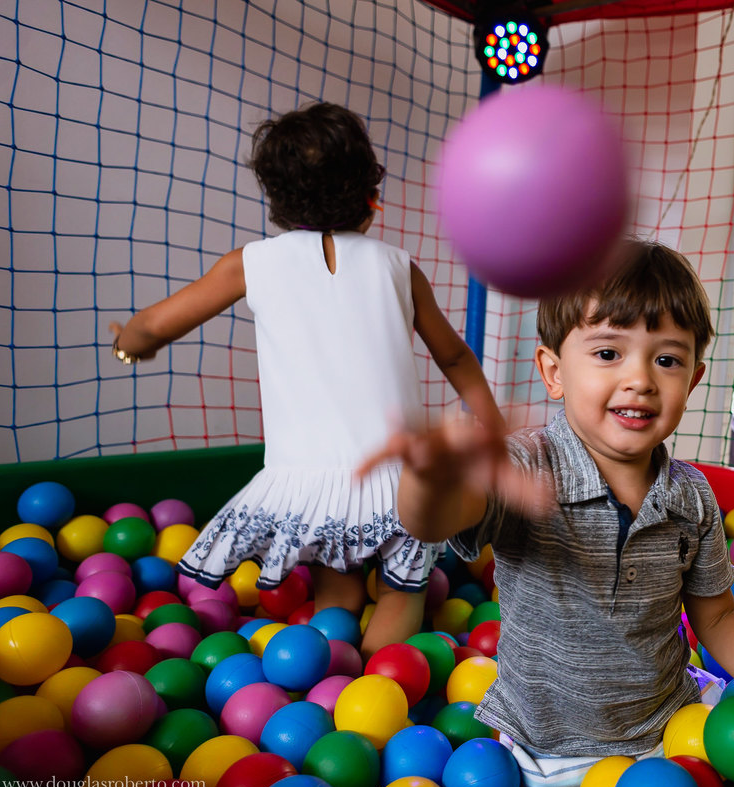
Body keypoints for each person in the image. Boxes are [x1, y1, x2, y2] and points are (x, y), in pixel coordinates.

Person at [359, 240, 734, 787]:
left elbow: (719, 618)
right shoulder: (525, 466)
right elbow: (432, 521)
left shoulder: (691, 496)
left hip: (678, 725)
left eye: (667, 359)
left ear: (693, 381)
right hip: (553, 752)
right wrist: (429, 478)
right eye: (608, 354)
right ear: (554, 372)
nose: (641, 379)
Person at [109, 102, 503, 658]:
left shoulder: (250, 263)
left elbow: (152, 326)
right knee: (401, 592)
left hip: (307, 488)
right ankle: (381, 689)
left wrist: (128, 344)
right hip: (401, 483)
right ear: (371, 193)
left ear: (276, 201)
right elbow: (456, 357)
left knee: (336, 592)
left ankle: (328, 678)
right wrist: (491, 424)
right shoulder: (398, 267)